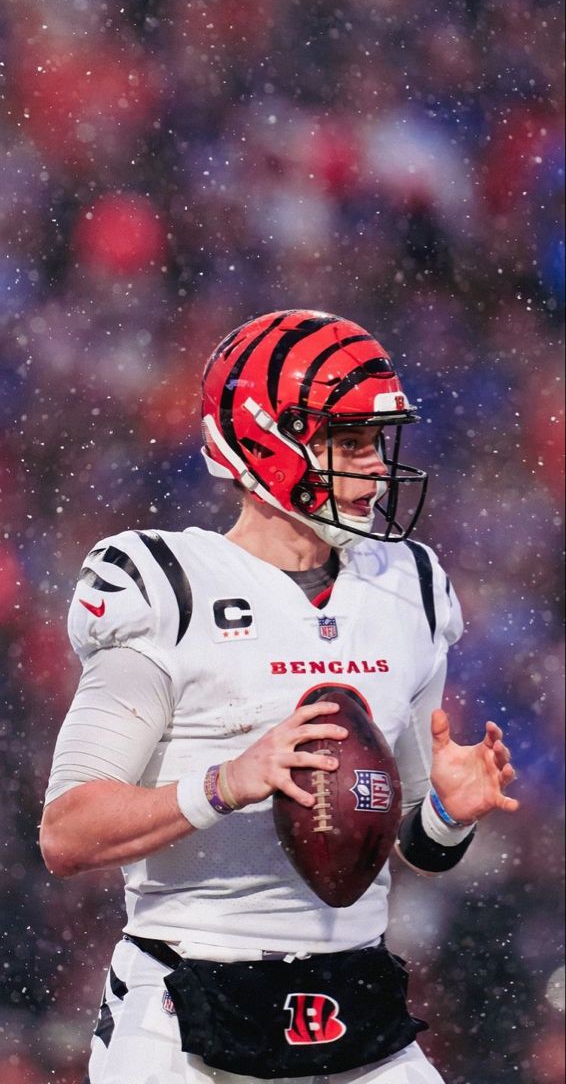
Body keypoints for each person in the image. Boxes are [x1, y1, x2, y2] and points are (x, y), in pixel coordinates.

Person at [40, 309, 518, 1084]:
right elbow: (66, 833)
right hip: (186, 1011)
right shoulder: (169, 588)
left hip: (352, 1001)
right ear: (269, 439)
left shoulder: (412, 588)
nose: (371, 470)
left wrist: (446, 814)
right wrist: (227, 782)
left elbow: (400, 847)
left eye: (375, 444)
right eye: (348, 443)